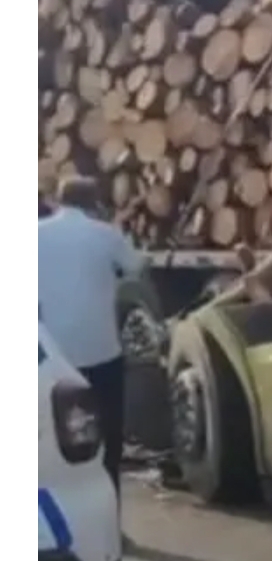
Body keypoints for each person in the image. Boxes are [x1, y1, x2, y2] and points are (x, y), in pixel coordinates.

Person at [38, 176, 145, 492]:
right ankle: (108, 512)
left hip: (54, 356)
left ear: (58, 201)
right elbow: (136, 266)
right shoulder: (105, 234)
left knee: (53, 434)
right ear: (94, 203)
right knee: (108, 435)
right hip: (101, 352)